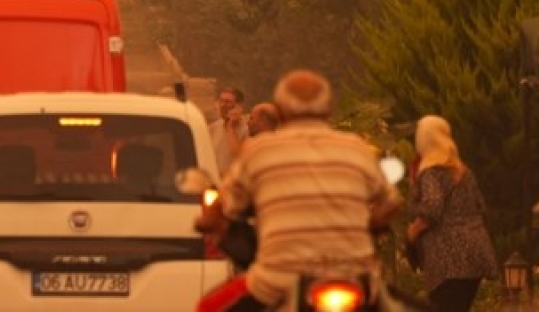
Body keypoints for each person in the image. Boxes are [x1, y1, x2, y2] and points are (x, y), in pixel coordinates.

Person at [195, 70, 402, 311]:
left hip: (277, 283)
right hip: (356, 280)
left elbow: (227, 206)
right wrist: (371, 225)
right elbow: (391, 203)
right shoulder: (356, 149)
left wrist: (210, 219)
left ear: (281, 112)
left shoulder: (258, 151)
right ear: (328, 109)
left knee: (207, 307)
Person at [405, 115, 498, 312]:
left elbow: (432, 209)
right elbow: (480, 206)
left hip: (448, 260)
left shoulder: (432, 172)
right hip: (475, 254)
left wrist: (413, 230)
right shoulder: (463, 171)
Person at [208, 86, 248, 175]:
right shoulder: (213, 128)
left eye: (227, 102)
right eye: (221, 101)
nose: (222, 105)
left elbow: (240, 158)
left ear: (238, 106)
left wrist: (231, 127)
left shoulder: (246, 130)